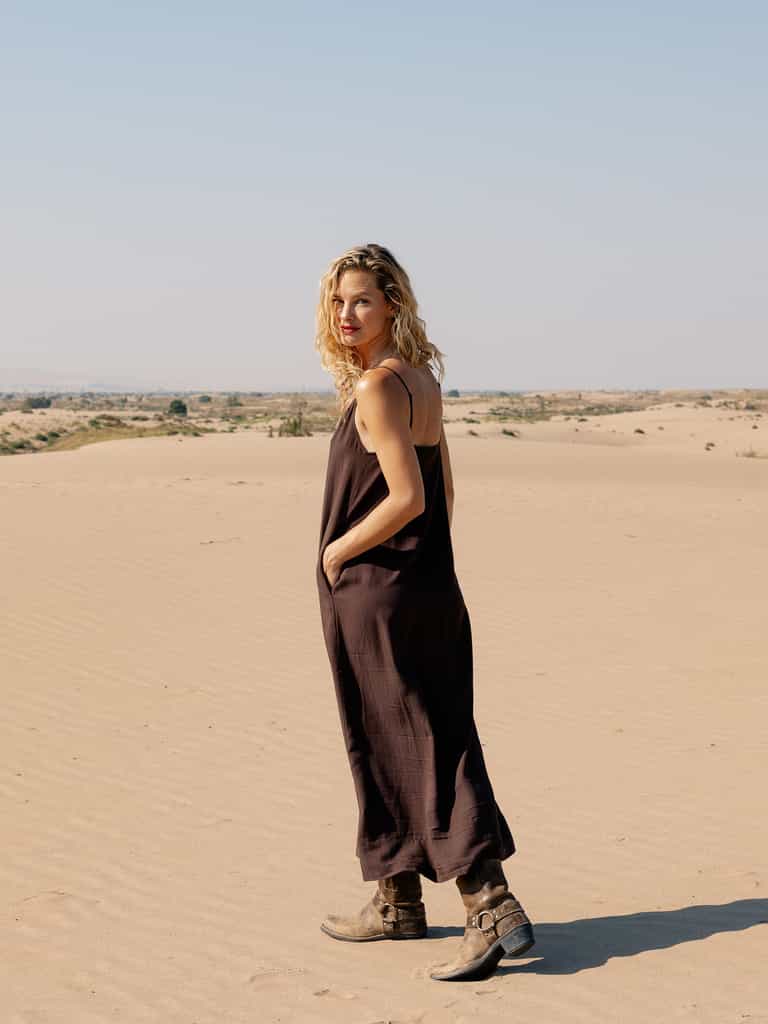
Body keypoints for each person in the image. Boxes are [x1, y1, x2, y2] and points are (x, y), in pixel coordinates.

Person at [314, 243, 534, 981]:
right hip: (426, 585)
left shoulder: (378, 387)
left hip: (379, 591)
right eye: (339, 300)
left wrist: (338, 550)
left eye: (362, 300)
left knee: (419, 742)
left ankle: (491, 905)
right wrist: (425, 566)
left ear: (393, 305)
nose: (347, 314)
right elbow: (444, 490)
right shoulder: (420, 380)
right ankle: (397, 898)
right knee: (406, 734)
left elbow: (407, 497)